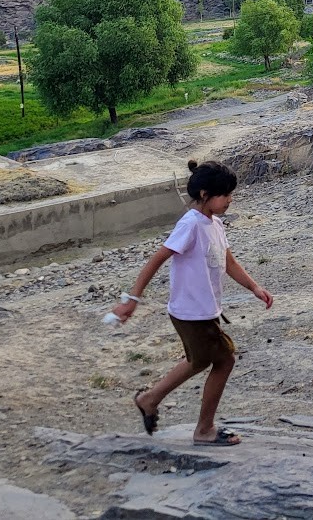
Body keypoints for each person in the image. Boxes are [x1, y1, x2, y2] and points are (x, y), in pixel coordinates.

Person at [110, 159, 272, 445]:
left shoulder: (215, 223)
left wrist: (254, 287)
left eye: (231, 194)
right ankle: (204, 430)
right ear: (204, 195)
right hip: (190, 312)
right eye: (225, 195)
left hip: (204, 311)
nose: (230, 200)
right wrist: (131, 300)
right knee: (224, 360)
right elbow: (156, 259)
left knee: (199, 361)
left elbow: (228, 260)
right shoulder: (191, 225)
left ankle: (149, 399)